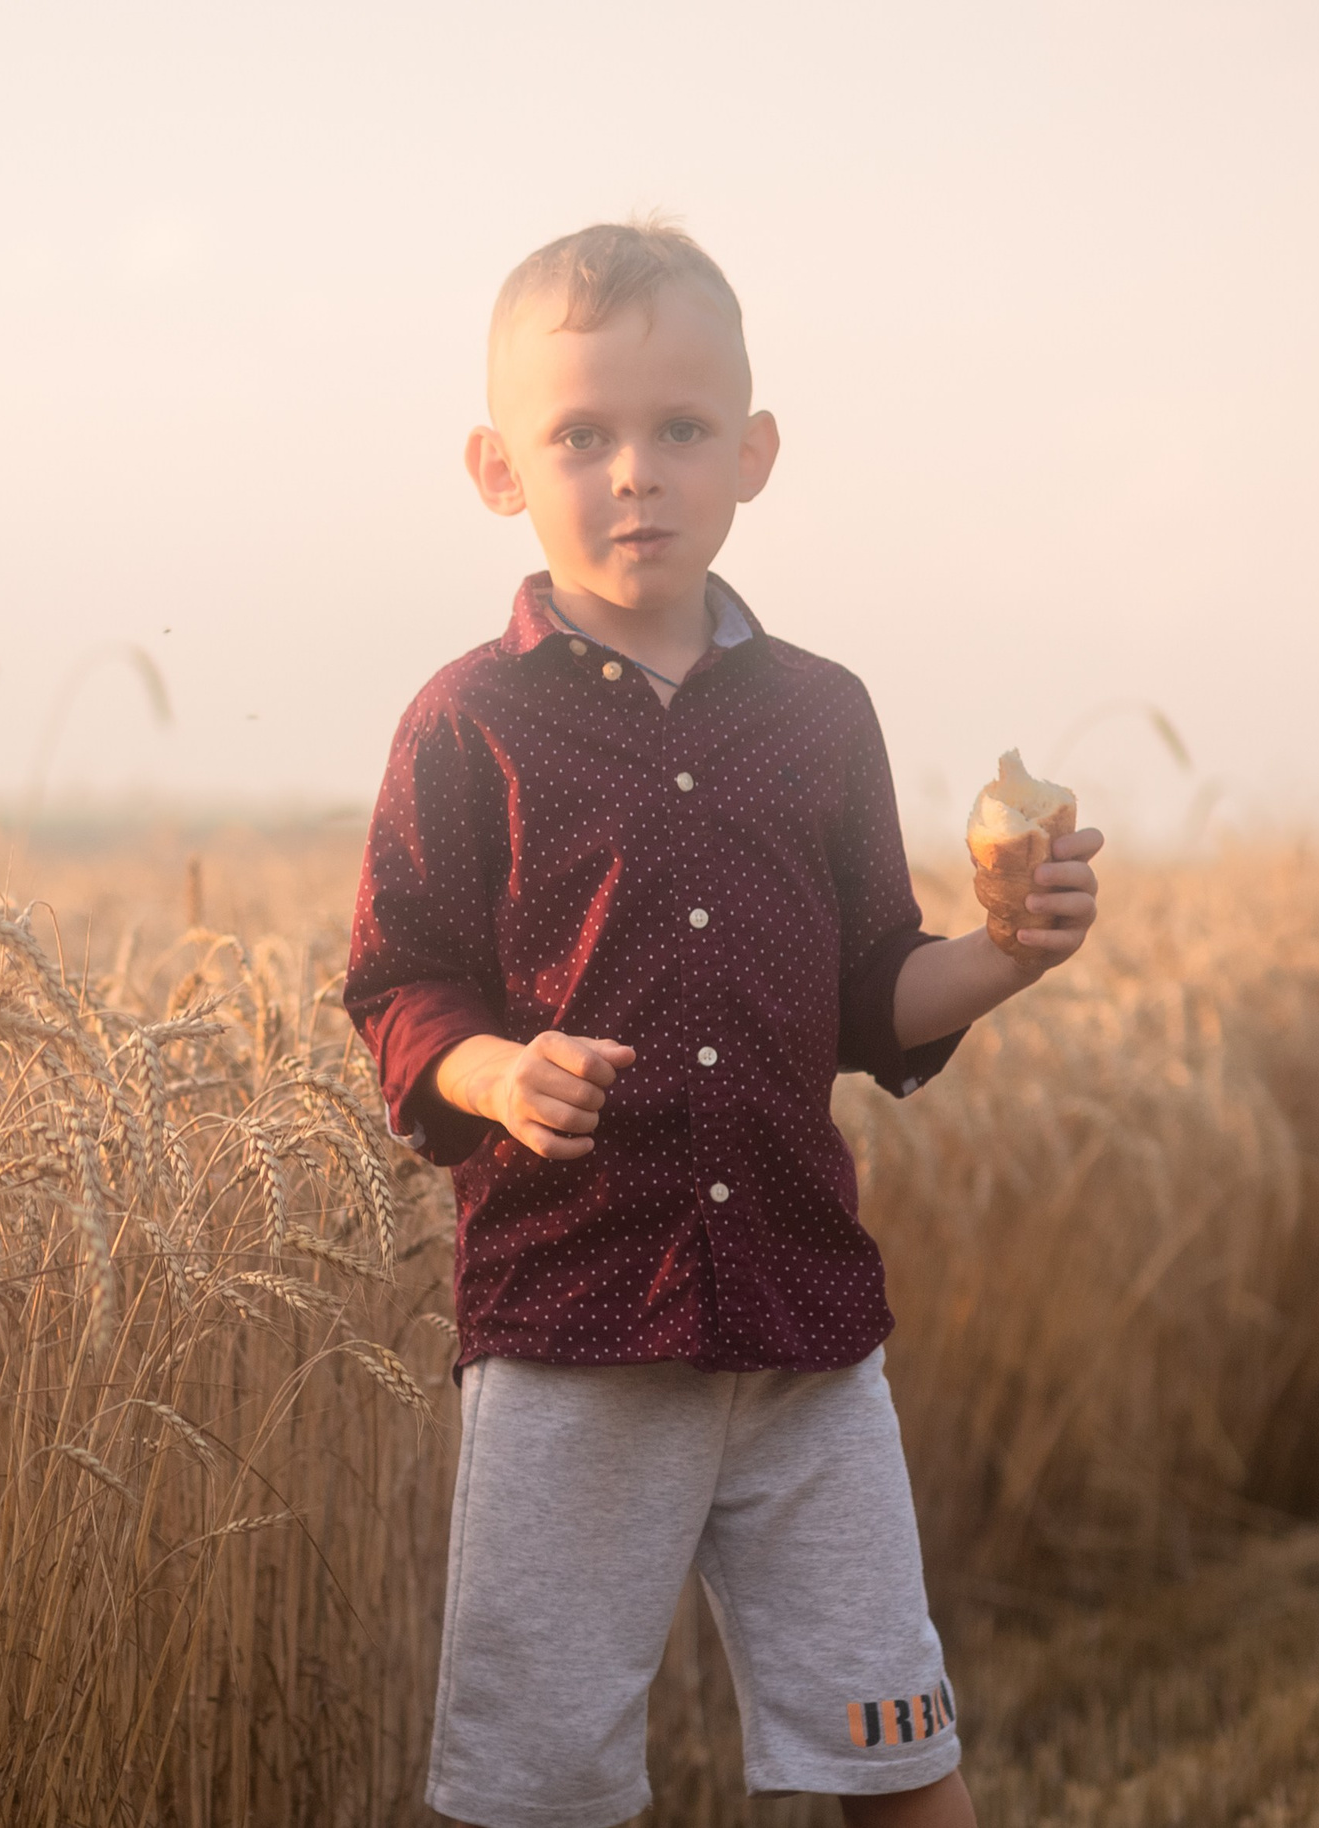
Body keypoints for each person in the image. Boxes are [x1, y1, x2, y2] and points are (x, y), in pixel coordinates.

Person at [345, 218, 1103, 1828]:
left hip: (805, 1327)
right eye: (582, 435)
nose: (637, 472)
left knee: (900, 1751)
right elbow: (400, 989)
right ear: (499, 469)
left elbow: (870, 993)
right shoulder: (466, 725)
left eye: (681, 429)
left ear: (752, 453)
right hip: (571, 1332)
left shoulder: (821, 716)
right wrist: (499, 1073)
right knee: (537, 1793)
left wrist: (1005, 953)